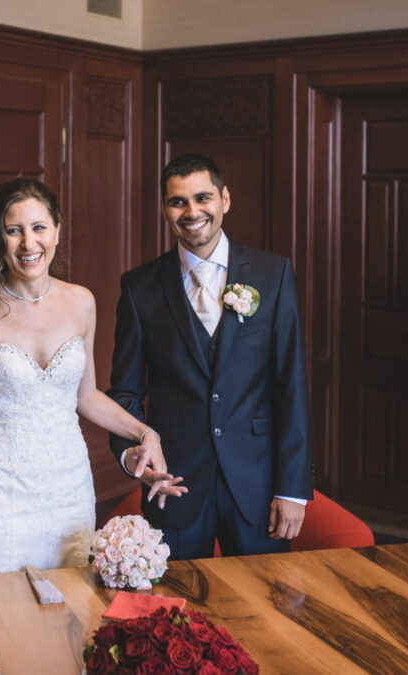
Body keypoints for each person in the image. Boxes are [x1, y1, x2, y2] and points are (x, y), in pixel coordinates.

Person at [0, 177, 186, 576]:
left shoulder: (81, 302)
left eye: (38, 228)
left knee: (72, 605)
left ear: (57, 230)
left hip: (69, 491)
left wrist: (145, 433)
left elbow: (86, 396)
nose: (28, 243)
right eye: (13, 230)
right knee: (0, 608)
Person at [107, 154, 313, 559]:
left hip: (257, 482)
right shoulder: (139, 287)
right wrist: (131, 455)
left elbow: (291, 384)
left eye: (202, 198)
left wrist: (292, 490)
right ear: (165, 209)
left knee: (263, 595)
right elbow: (125, 391)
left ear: (225, 200)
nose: (191, 212)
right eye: (177, 202)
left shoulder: (272, 275)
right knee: (176, 598)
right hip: (173, 483)